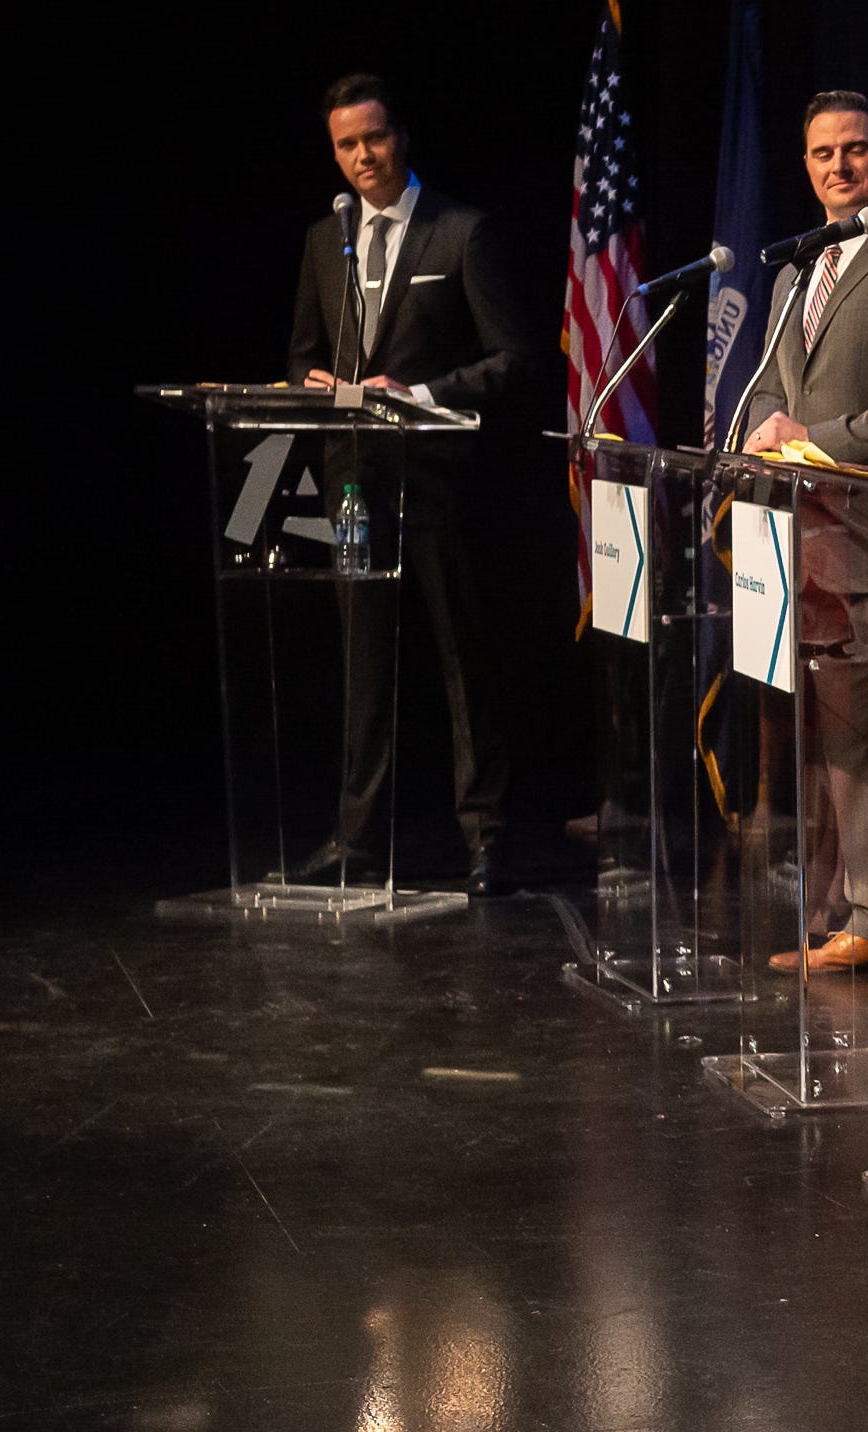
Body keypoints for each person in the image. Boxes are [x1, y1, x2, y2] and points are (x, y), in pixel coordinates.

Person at [289, 73, 540, 895]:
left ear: (400, 136)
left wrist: (422, 397)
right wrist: (311, 385)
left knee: (461, 660)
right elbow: (300, 354)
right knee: (363, 661)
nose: (362, 156)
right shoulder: (326, 239)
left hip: (438, 480)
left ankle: (486, 835)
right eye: (346, 144)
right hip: (351, 482)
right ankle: (358, 839)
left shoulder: (460, 232)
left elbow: (512, 358)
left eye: (374, 138)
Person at [736, 91, 868, 977]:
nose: (838, 168)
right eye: (821, 155)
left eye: (855, 150)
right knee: (842, 734)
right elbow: (773, 385)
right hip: (809, 540)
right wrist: (768, 425)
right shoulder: (792, 272)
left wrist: (811, 440)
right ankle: (867, 914)